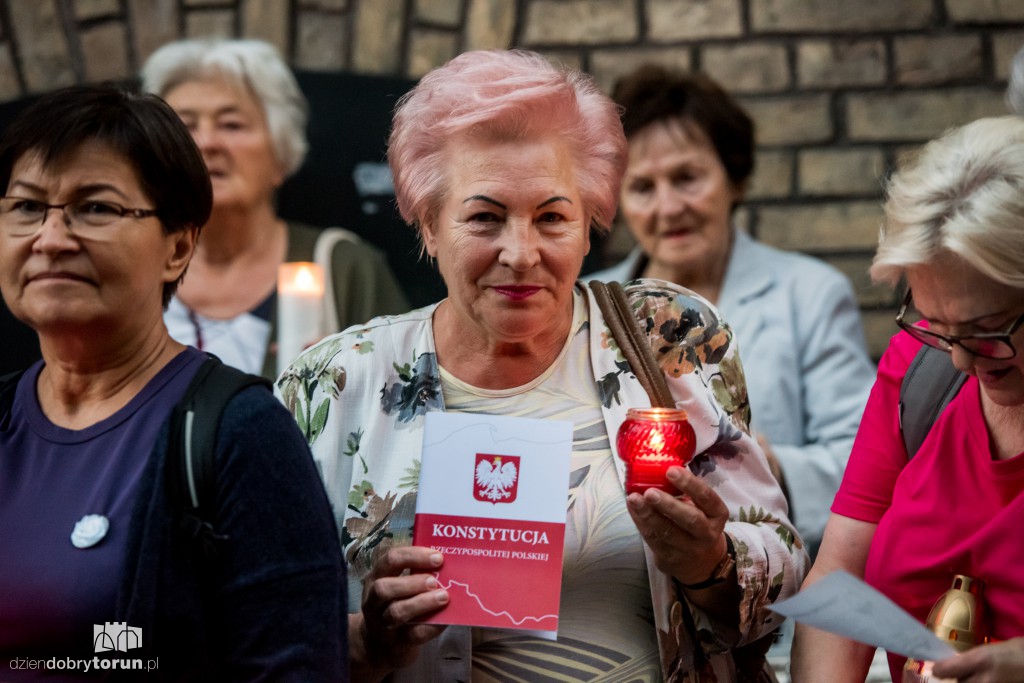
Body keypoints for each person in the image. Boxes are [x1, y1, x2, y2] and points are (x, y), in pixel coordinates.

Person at [278, 49, 807, 682]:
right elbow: (261, 635)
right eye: (485, 217)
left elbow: (783, 573)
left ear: (589, 223)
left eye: (552, 217)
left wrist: (711, 562)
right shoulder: (333, 383)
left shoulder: (668, 335)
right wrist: (368, 642)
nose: (521, 253)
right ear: (429, 226)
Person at [0, 84, 346, 680]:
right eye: (27, 207)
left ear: (179, 246)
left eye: (96, 208)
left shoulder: (239, 434)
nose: (50, 239)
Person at [587, 65, 875, 557]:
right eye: (642, 187)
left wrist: (770, 468)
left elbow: (868, 459)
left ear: (734, 178)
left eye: (686, 178)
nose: (668, 207)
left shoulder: (809, 294)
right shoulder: (588, 305)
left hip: (771, 575)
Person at [791, 114, 1024, 682]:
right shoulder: (921, 376)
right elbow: (841, 578)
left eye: (987, 331)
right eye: (937, 325)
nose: (962, 361)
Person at [141, 38, 408, 378]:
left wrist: (352, 382)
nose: (206, 142)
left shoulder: (344, 269)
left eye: (231, 124)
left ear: (281, 153)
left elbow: (408, 392)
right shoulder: (130, 268)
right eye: (185, 126)